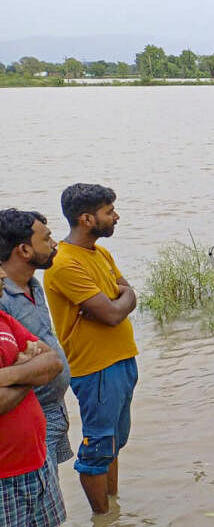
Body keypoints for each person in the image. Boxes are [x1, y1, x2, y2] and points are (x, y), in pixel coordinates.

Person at [43, 183, 137, 514]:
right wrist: (116, 300)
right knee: (97, 448)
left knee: (113, 443)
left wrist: (118, 299)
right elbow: (112, 313)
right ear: (86, 218)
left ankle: (113, 508)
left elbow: (129, 296)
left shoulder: (100, 253)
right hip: (96, 368)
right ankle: (103, 517)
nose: (116, 217)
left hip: (123, 360)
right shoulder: (65, 263)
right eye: (109, 212)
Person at [0, 210, 73, 474]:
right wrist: (35, 368)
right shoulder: (3, 300)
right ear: (24, 250)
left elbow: (40, 350)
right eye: (47, 238)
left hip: (54, 409)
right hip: (27, 416)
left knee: (49, 486)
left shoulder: (33, 285)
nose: (54, 244)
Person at [0, 302, 66, 527]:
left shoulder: (3, 319)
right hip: (4, 477)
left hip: (38, 462)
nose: (2, 276)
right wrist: (30, 371)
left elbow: (53, 361)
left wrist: (13, 373)